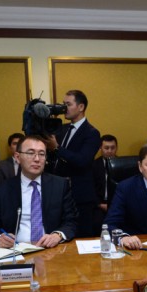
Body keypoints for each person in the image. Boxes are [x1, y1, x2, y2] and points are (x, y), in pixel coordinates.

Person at [0, 135, 78, 249]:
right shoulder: (2, 189)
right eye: (30, 153)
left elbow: (71, 221)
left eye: (42, 154)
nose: (37, 159)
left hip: (51, 249)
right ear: (18, 157)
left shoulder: (60, 185)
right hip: (15, 249)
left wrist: (57, 235)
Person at [44, 89, 101, 238]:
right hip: (59, 191)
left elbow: (82, 160)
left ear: (81, 107)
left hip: (80, 194)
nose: (64, 108)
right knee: (60, 234)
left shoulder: (92, 133)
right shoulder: (62, 128)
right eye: (63, 104)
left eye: (68, 104)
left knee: (82, 236)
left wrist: (57, 148)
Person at [93, 134, 118, 233]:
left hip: (117, 204)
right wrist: (100, 204)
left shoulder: (121, 165)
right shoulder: (93, 165)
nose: (110, 151)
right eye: (106, 148)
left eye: (113, 148)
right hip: (98, 204)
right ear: (100, 148)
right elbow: (90, 188)